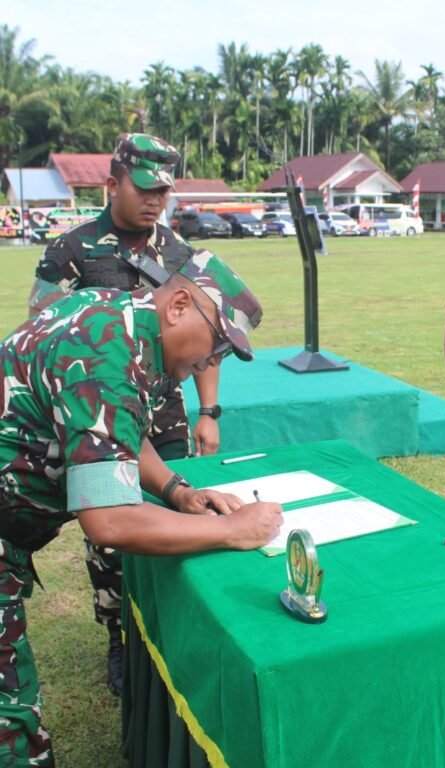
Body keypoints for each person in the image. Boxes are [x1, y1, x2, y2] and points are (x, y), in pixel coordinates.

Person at [0, 248, 281, 766]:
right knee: (10, 728)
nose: (210, 363)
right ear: (177, 305)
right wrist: (233, 531)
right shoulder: (108, 357)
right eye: (215, 344)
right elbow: (110, 521)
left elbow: (117, 432)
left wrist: (177, 490)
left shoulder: (117, 319)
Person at [27, 132, 222, 695]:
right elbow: (47, 328)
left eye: (164, 190)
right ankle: (118, 634)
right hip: (99, 417)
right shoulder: (71, 251)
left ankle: (172, 628)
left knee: (181, 513)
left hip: (165, 420)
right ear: (112, 183)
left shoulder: (179, 252)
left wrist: (208, 409)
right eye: (144, 188)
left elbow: (207, 337)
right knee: (111, 534)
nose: (156, 200)